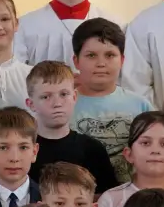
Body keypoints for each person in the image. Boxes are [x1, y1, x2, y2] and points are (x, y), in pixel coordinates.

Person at [70, 18, 154, 186]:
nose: (101, 63)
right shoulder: (63, 106)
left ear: (122, 60)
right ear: (76, 61)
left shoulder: (140, 106)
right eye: (91, 55)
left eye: (110, 55)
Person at [25, 61, 117, 197]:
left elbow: (105, 198)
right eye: (46, 96)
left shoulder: (92, 149)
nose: (57, 104)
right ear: (31, 104)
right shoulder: (23, 150)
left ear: (74, 97)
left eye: (63, 94)